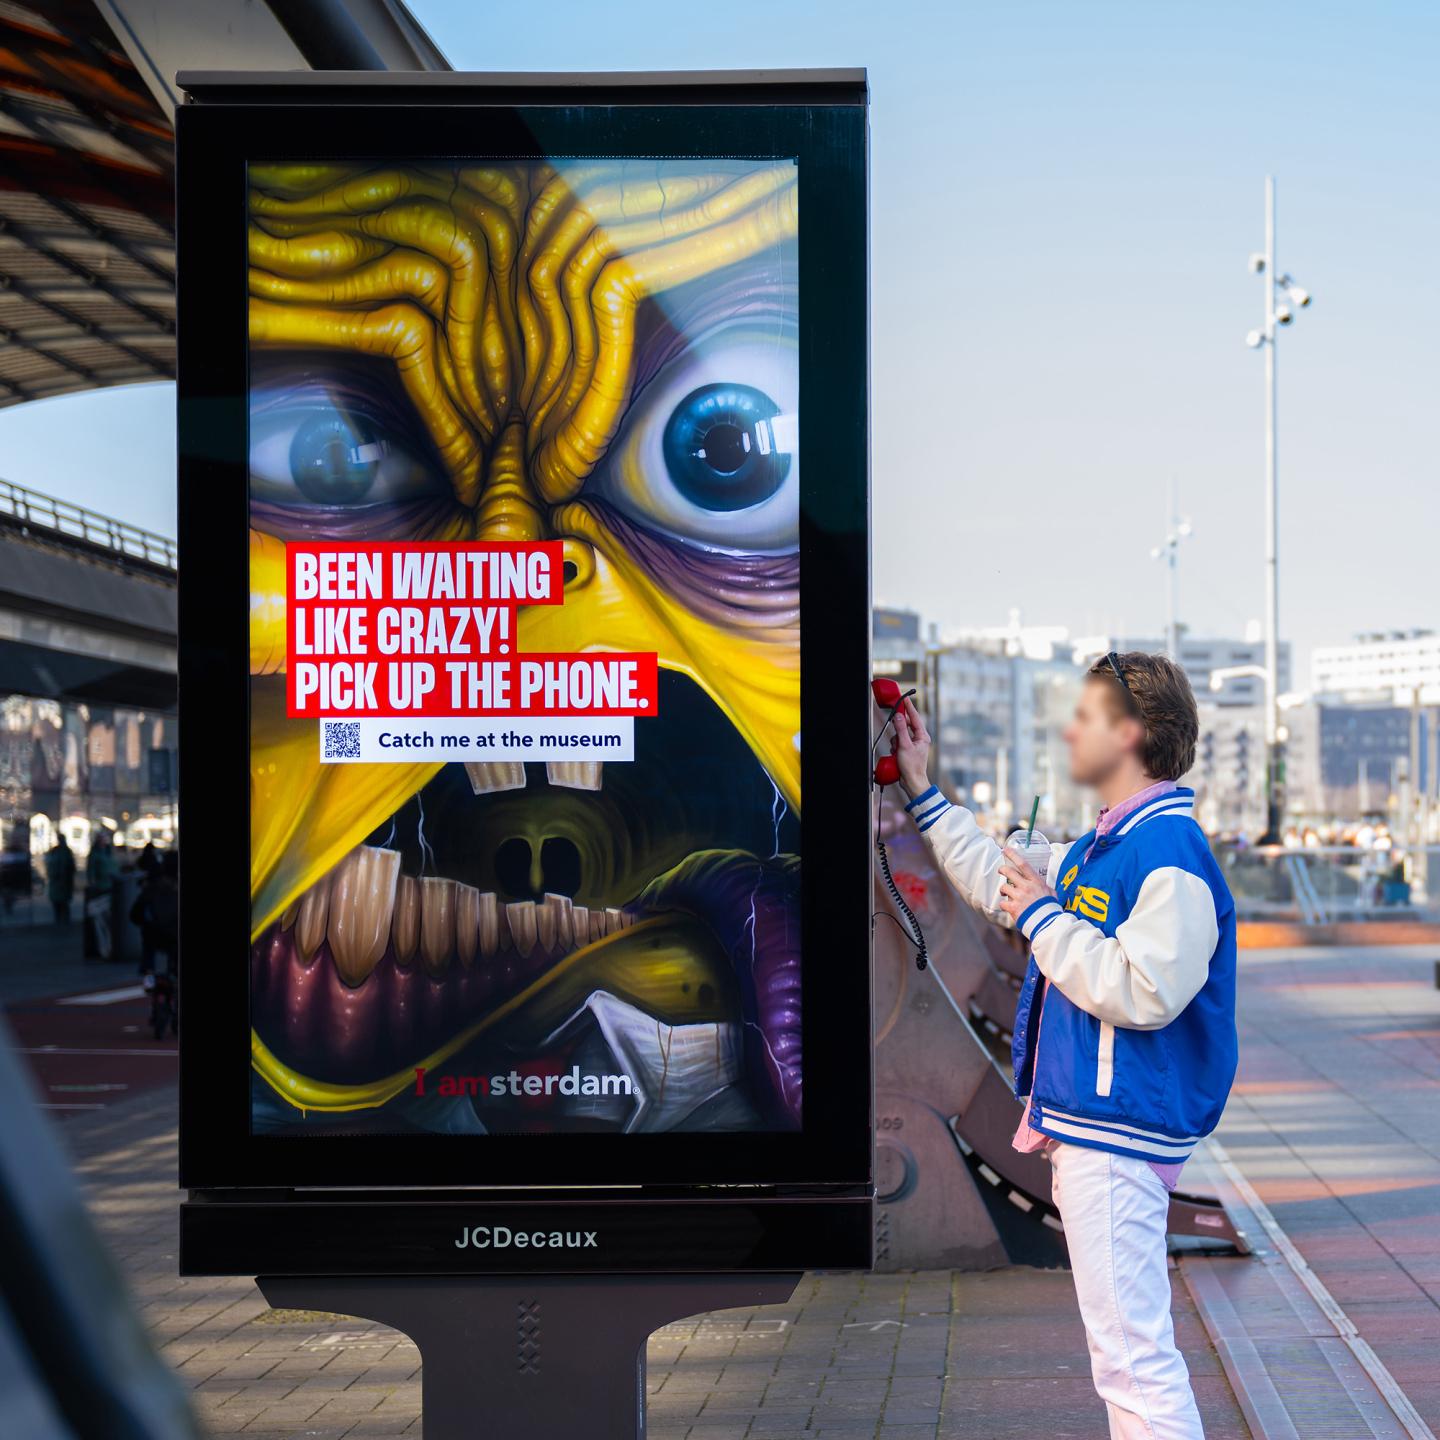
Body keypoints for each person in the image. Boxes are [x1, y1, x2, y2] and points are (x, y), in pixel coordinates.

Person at [892, 651, 1236, 1440]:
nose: (1070, 731)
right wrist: (922, 789)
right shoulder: (1105, 849)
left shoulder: (1168, 853)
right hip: (1104, 1127)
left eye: (1085, 716)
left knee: (1133, 1362)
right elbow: (1002, 882)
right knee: (1126, 1359)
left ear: (1131, 733)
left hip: (1119, 1129)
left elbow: (1144, 990)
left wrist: (1045, 916)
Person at [46, 833, 76, 926]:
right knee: (58, 905)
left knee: (64, 904)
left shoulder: (66, 852)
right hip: (57, 883)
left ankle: (64, 922)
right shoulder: (55, 851)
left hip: (64, 883)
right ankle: (59, 922)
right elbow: (49, 866)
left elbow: (71, 867)